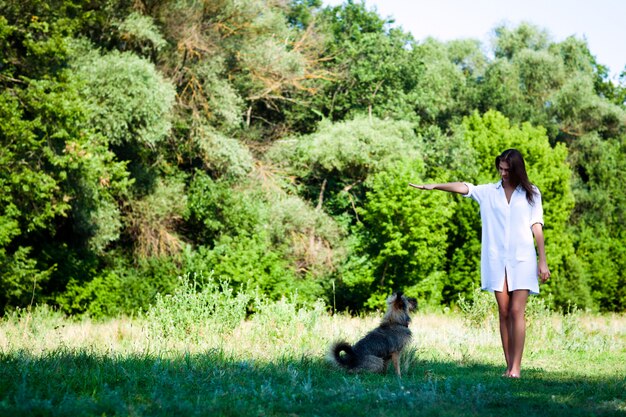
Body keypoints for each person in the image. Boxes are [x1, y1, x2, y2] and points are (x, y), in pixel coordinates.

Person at [409, 148, 550, 378]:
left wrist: (542, 261)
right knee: (503, 311)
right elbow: (466, 187)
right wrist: (435, 185)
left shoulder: (531, 193)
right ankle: (508, 366)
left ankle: (516, 368)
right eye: (500, 169)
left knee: (516, 311)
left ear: (517, 170)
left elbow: (537, 226)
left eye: (507, 169)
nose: (503, 173)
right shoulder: (488, 192)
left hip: (522, 259)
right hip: (496, 259)